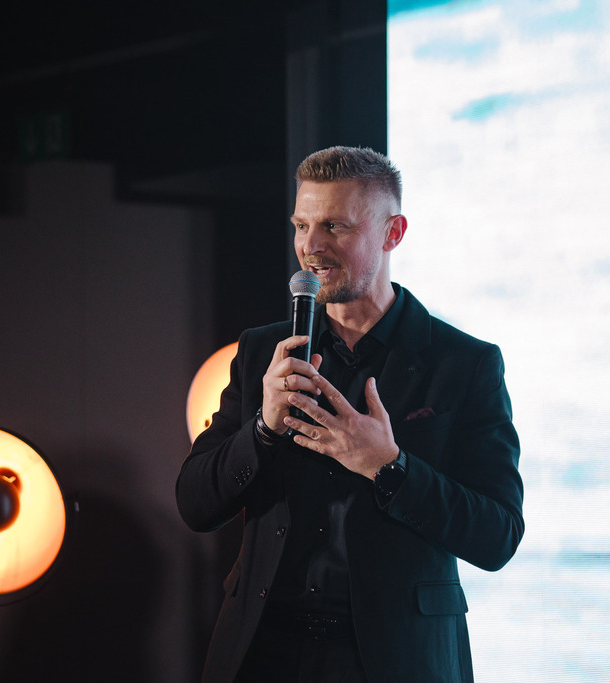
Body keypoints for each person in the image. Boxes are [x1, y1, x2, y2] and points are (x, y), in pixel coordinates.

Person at [175, 146, 524, 682]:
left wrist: (390, 467)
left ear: (392, 233)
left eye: (334, 226)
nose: (310, 247)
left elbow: (497, 535)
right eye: (301, 225)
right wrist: (263, 429)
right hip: (264, 654)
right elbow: (194, 504)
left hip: (394, 661)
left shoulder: (464, 364)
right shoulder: (263, 351)